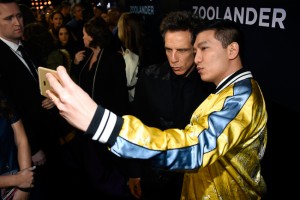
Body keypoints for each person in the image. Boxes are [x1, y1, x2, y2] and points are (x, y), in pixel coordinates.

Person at [46, 18, 268, 199]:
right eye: (168, 49)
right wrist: (135, 173)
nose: (193, 57)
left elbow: (197, 148)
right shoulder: (223, 89)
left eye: (201, 49)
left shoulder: (239, 96)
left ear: (232, 50)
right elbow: (141, 118)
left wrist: (102, 124)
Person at [127, 11, 213, 200]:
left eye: (181, 50)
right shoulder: (149, 77)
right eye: (168, 49)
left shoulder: (212, 85)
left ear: (196, 49)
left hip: (197, 181)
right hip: (155, 178)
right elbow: (137, 126)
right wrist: (134, 172)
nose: (173, 58)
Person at [0, 1, 68, 199]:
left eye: (19, 16)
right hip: (27, 146)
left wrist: (52, 96)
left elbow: (41, 82)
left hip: (49, 131)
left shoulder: (28, 46)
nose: (17, 22)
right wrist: (33, 148)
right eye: (9, 18)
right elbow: (11, 109)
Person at [70, 16, 131, 200]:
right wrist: (75, 64)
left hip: (104, 123)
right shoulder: (86, 56)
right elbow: (80, 85)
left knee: (105, 170)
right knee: (91, 168)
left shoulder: (113, 59)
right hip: (86, 124)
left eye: (84, 34)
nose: (82, 38)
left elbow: (120, 97)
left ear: (93, 36)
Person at [0, 90, 35, 200]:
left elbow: (21, 140)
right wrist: (18, 180)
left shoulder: (2, 97)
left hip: (21, 173)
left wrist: (25, 188)